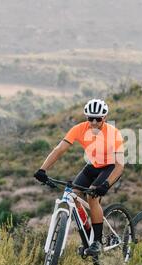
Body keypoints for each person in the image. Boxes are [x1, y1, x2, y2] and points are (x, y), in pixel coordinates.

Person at [34, 99, 124, 256]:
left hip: (110, 167)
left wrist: (106, 184)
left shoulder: (113, 133)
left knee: (92, 196)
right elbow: (59, 149)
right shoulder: (79, 129)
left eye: (98, 119)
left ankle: (97, 241)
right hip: (93, 166)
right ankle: (88, 233)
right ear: (86, 117)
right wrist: (43, 169)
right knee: (73, 196)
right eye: (90, 118)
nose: (94, 122)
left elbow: (119, 165)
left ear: (105, 117)